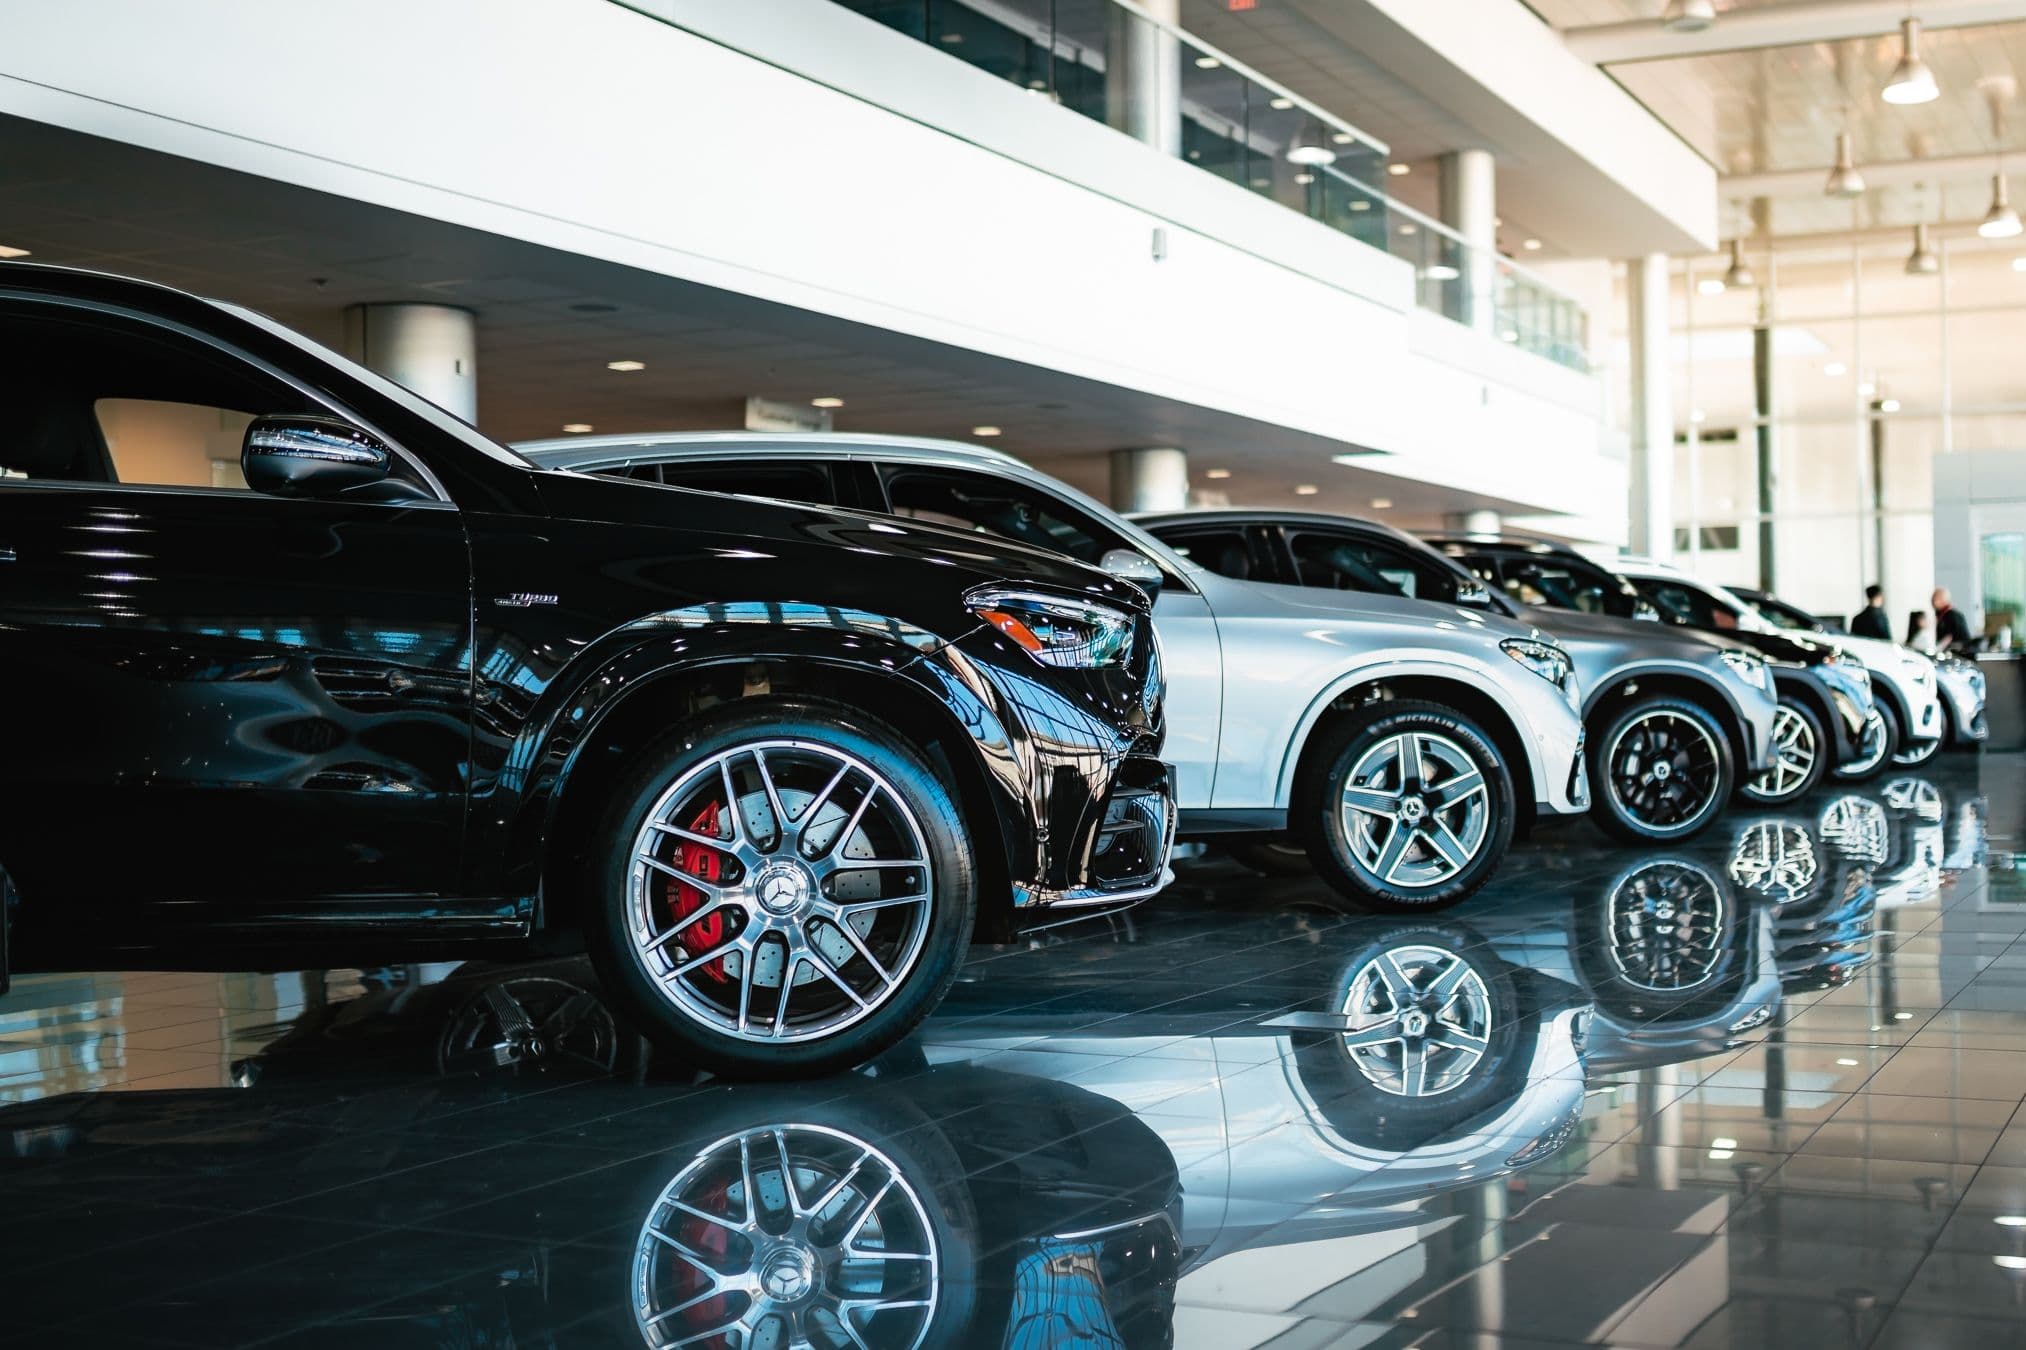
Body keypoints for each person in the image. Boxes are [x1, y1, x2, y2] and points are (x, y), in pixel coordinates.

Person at [1932, 587, 1975, 653]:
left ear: (1943, 599)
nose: (1932, 601)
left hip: (1957, 652)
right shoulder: (1942, 614)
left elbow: (1948, 638)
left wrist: (1937, 649)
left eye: (1935, 598)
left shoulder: (1951, 615)